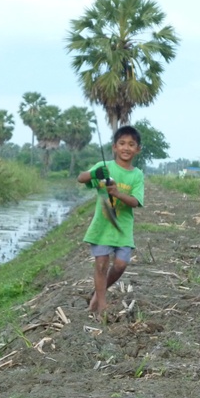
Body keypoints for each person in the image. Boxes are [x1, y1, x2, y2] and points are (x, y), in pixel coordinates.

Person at [77, 125, 144, 315]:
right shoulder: (103, 166)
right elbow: (81, 178)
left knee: (121, 265)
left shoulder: (137, 175)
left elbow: (135, 202)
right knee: (101, 264)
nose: (126, 148)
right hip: (102, 227)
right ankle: (101, 306)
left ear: (137, 149)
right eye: (122, 143)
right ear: (114, 146)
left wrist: (117, 193)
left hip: (123, 228)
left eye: (131, 144)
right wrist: (95, 174)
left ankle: (98, 294)